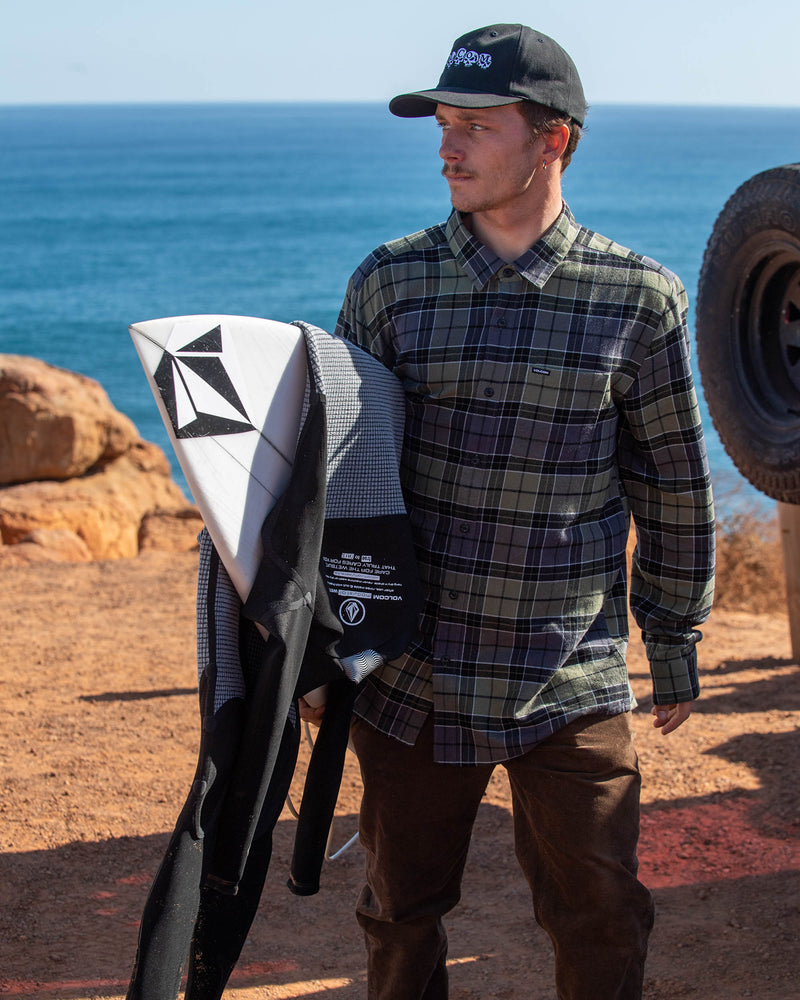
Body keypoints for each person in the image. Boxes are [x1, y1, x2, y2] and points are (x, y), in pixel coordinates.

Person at [316, 22, 715, 1000]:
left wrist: (669, 642)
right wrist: (324, 647)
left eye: (475, 126)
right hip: (413, 675)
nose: (447, 147)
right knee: (397, 915)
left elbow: (671, 480)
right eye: (441, 125)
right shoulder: (388, 282)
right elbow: (338, 485)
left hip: (566, 678)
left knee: (602, 915)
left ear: (553, 140)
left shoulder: (639, 297)